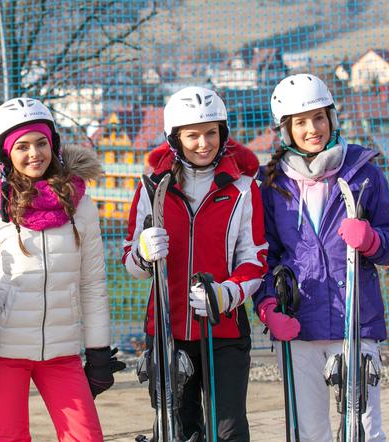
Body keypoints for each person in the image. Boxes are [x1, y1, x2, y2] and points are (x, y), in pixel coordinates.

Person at [0, 97, 124, 441]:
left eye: (42, 142)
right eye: (22, 146)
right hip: (2, 352)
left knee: (86, 437)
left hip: (61, 353)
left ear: (54, 145)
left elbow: (92, 285)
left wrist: (98, 351)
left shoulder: (82, 206)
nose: (35, 153)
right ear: (5, 156)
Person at [254, 73, 389, 442]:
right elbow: (263, 256)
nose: (312, 129)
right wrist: (267, 307)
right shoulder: (273, 186)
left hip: (355, 320)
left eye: (319, 118)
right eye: (301, 122)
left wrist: (370, 239)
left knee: (365, 431)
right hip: (299, 325)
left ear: (332, 119)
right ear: (286, 130)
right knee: (309, 432)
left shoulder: (364, 174)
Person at [123, 86, 268, 441]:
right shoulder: (151, 189)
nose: (203, 143)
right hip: (167, 329)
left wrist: (225, 295)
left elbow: (256, 259)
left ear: (223, 133)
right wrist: (142, 252)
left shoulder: (244, 190)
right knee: (178, 430)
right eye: (192, 136)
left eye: (211, 133)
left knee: (228, 430)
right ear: (175, 139)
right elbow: (130, 261)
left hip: (225, 330)